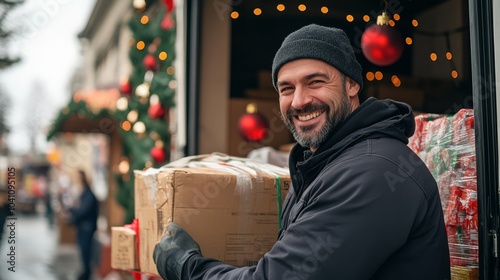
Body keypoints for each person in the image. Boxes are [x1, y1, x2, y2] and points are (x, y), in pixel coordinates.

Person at [153, 24, 451, 279]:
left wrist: (187, 267)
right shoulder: (325, 163)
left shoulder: (374, 171)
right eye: (286, 88)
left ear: (352, 85)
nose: (299, 101)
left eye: (315, 82)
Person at [68, 170, 99, 280]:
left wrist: (73, 213)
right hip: (84, 227)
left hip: (87, 228)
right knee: (83, 252)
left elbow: (83, 211)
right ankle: (85, 272)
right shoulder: (85, 194)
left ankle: (86, 274)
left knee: (86, 252)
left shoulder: (89, 195)